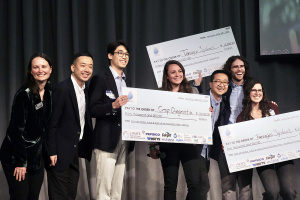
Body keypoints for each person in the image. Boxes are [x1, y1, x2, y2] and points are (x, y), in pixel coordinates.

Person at [149, 60, 209, 200]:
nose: (177, 74)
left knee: (195, 185)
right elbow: (153, 122)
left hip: (189, 144)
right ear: (167, 76)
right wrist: (152, 146)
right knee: (170, 186)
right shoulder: (159, 94)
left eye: (180, 71)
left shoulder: (192, 91)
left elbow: (198, 115)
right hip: (168, 145)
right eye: (173, 72)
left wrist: (206, 112)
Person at [0, 52, 53, 200]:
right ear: (31, 71)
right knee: (20, 197)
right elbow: (16, 131)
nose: (40, 70)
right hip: (16, 156)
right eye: (35, 67)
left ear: (50, 69)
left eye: (44, 66)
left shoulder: (50, 91)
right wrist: (21, 163)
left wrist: (49, 152)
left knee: (33, 196)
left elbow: (46, 128)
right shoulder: (24, 94)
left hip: (37, 156)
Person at [89, 40, 135, 200]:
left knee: (116, 191)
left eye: (127, 54)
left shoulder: (127, 82)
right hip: (106, 140)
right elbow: (92, 109)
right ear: (110, 55)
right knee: (104, 191)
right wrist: (112, 106)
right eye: (120, 53)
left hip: (123, 140)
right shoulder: (100, 78)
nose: (124, 57)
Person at [236, 78, 297, 200]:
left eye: (260, 90)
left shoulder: (272, 107)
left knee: (289, 192)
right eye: (254, 90)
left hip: (282, 155)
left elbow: (281, 128)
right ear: (248, 92)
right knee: (272, 192)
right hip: (263, 159)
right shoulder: (242, 117)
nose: (257, 93)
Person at [46, 51, 94, 200]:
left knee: (70, 193)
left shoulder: (84, 90)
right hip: (58, 152)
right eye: (83, 65)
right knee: (59, 195)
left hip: (73, 150)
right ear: (73, 68)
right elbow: (51, 123)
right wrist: (52, 151)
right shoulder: (62, 89)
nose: (87, 70)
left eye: (90, 66)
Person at [216, 55, 253, 200]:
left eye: (241, 66)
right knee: (227, 186)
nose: (239, 69)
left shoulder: (251, 86)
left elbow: (262, 104)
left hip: (245, 139)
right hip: (226, 140)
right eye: (235, 66)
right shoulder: (223, 87)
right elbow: (208, 99)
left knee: (245, 186)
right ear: (229, 70)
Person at [200, 70, 229, 172]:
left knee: (202, 185)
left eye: (225, 82)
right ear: (210, 84)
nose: (221, 85)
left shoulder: (224, 104)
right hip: (196, 149)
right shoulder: (200, 100)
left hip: (207, 151)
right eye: (218, 81)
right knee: (200, 185)